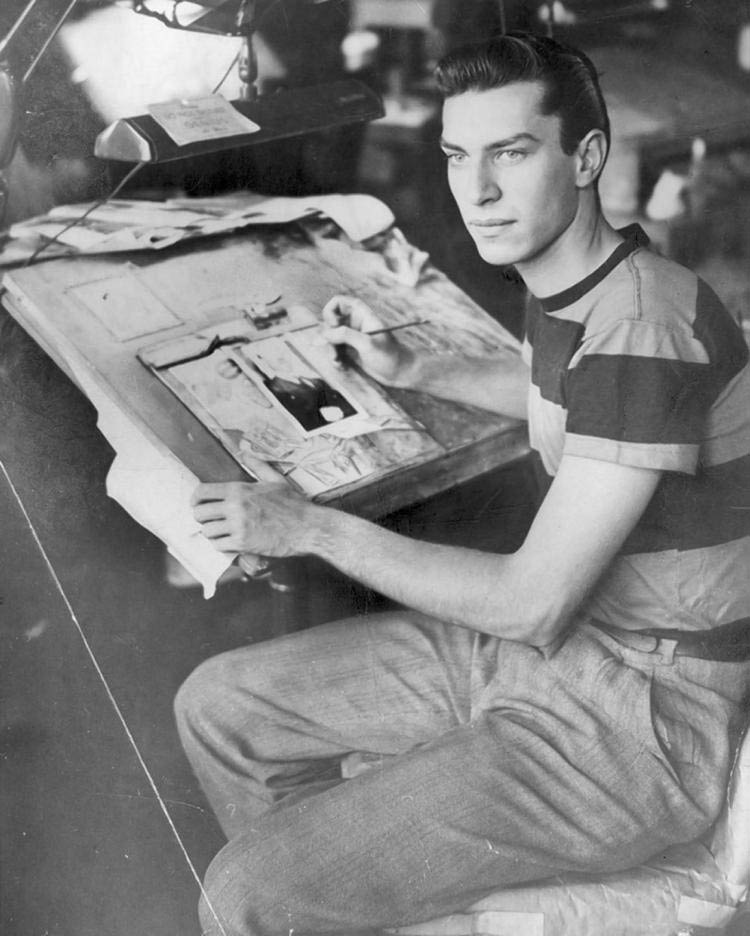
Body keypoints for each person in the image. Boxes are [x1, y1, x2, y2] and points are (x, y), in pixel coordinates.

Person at [175, 32, 750, 936]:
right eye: (456, 155)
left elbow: (530, 606)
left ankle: (301, 895)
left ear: (586, 157)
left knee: (244, 891)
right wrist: (418, 367)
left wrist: (312, 527)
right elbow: (568, 397)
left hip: (645, 716)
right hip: (575, 652)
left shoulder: (645, 321)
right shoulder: (584, 282)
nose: (475, 190)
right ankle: (334, 893)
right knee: (224, 709)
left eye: (510, 154)